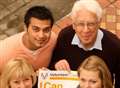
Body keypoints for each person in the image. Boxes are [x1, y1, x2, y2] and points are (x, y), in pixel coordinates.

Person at [49, 0, 120, 88]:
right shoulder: (65, 37)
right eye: (81, 24)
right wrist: (56, 64)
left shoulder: (114, 46)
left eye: (91, 24)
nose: (85, 30)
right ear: (74, 25)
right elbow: (52, 63)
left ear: (99, 23)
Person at [0, 6, 57, 74]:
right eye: (36, 29)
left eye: (46, 30)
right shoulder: (3, 53)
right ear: (25, 28)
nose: (41, 35)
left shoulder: (53, 39)